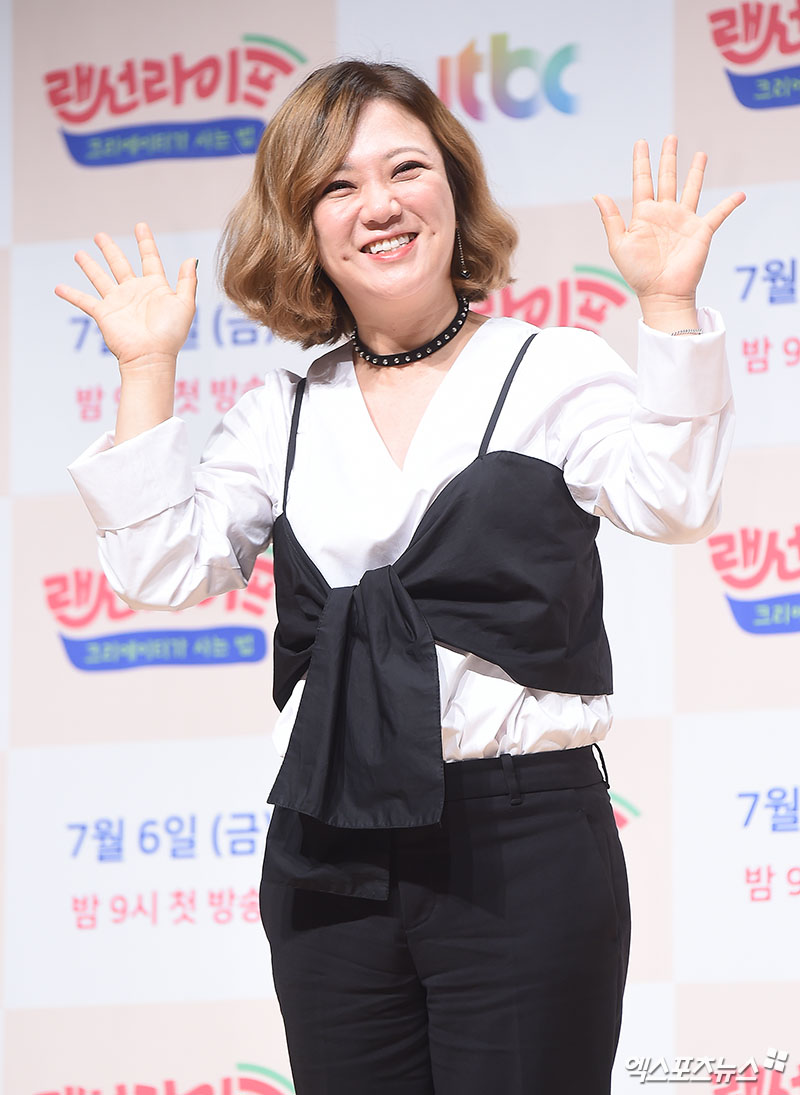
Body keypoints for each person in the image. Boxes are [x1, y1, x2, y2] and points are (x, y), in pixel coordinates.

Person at [59, 60, 744, 1095]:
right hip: (325, 851)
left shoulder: (549, 369)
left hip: (518, 842)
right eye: (337, 185)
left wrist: (668, 302)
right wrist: (146, 368)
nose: (377, 204)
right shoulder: (283, 412)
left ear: (453, 188)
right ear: (304, 227)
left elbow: (675, 501)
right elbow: (159, 567)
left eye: (405, 169)